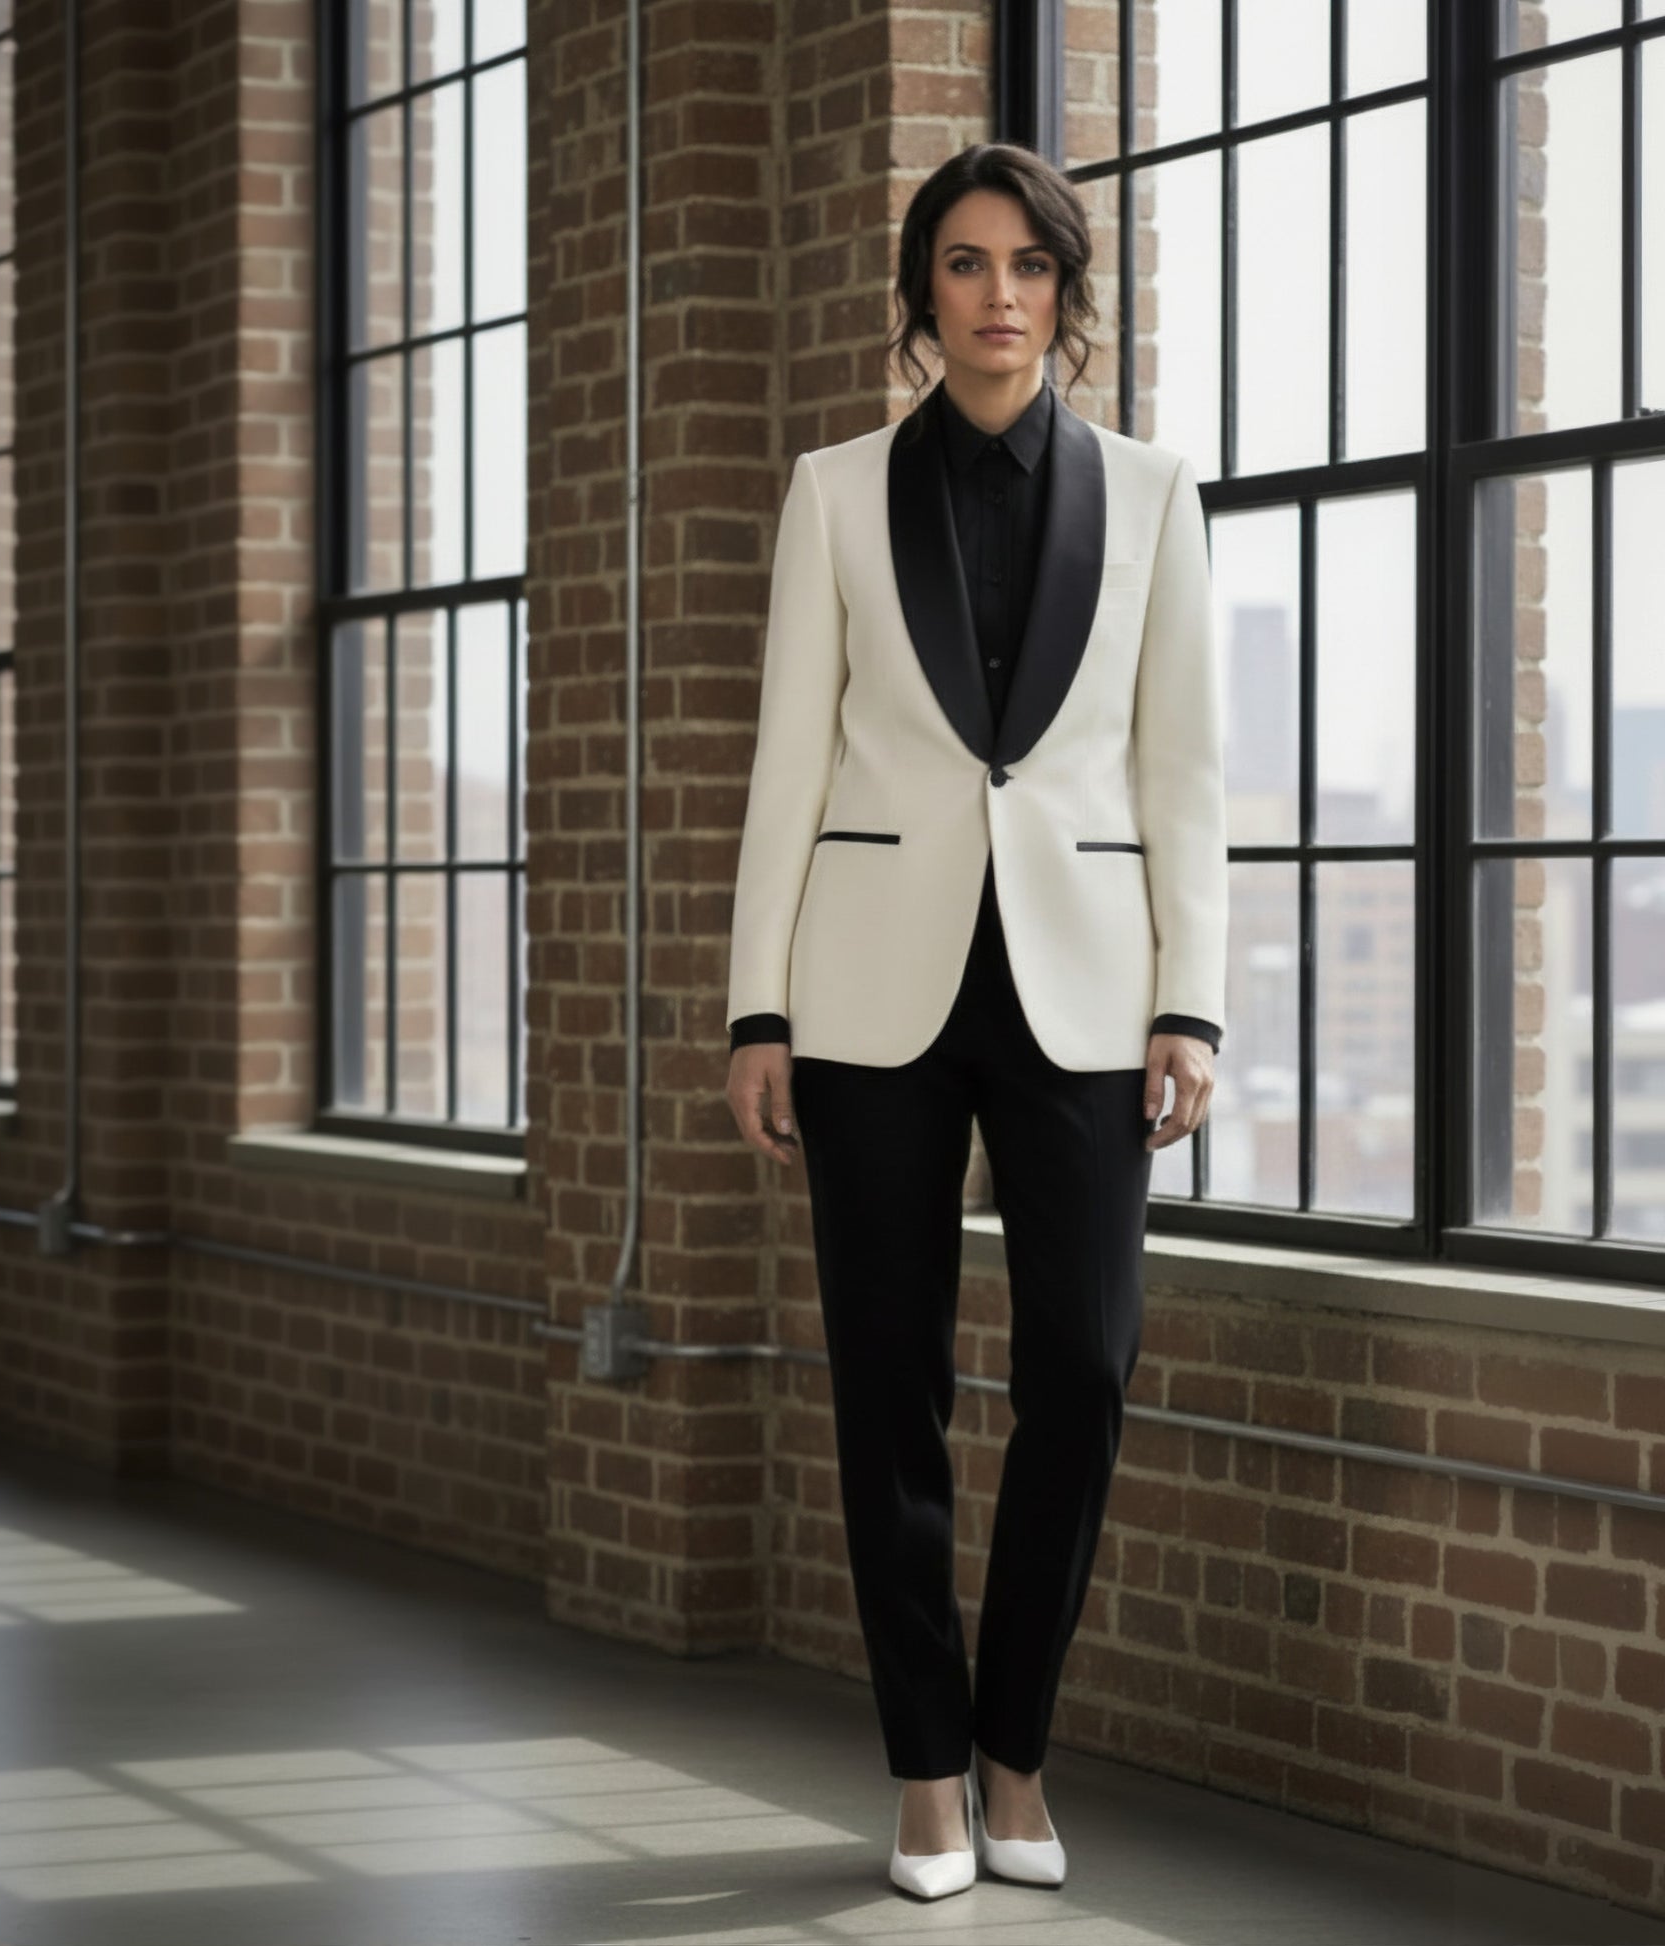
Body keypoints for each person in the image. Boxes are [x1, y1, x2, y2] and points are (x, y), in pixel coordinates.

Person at [723, 140, 1227, 1900]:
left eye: (1027, 267)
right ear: (919, 291)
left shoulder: (1157, 495)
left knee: (1082, 1370)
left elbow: (1186, 773)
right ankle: (929, 1774)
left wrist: (1192, 1002)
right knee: (889, 1384)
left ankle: (1020, 1740)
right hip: (869, 988)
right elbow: (788, 759)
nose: (996, 295)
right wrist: (756, 1005)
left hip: (1086, 985)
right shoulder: (834, 490)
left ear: (1066, 299)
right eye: (962, 264)